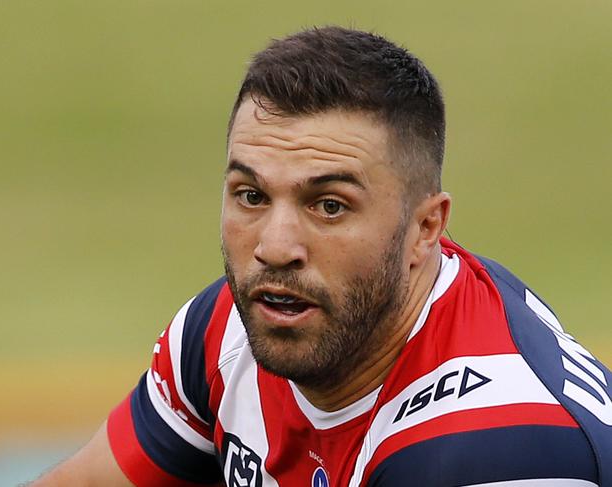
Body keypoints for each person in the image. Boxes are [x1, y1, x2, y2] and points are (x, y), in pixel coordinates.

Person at [31, 26, 612, 487]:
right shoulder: (227, 331)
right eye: (251, 196)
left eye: (329, 206)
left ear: (425, 228)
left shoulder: (492, 446)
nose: (274, 248)